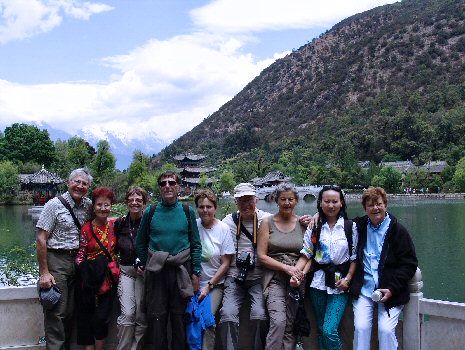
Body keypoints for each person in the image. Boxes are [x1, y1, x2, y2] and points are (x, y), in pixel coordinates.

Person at [135, 171, 202, 350]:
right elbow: (140, 242)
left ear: (178, 187)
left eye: (171, 182)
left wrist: (195, 272)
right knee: (157, 317)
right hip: (157, 271)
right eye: (163, 183)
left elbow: (195, 244)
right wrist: (147, 262)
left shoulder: (187, 211)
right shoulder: (151, 211)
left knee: (179, 319)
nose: (167, 186)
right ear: (159, 188)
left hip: (181, 270)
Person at [351, 187, 417, 350]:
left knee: (386, 330)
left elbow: (409, 263)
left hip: (390, 290)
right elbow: (336, 220)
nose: (375, 208)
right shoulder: (358, 226)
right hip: (365, 290)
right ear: (365, 208)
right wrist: (316, 216)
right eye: (370, 205)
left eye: (379, 204)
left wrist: (393, 288)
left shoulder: (398, 231)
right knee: (361, 328)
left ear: (385, 205)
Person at [292, 185, 358, 350]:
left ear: (341, 203)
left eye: (334, 201)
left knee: (329, 330)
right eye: (326, 201)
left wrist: (348, 280)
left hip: (339, 284)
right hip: (317, 282)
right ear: (320, 203)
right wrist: (295, 273)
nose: (330, 205)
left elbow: (354, 258)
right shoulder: (314, 226)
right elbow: (307, 253)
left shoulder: (350, 227)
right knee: (321, 328)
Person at [36, 168, 93, 350]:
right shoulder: (54, 204)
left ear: (88, 187)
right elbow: (41, 238)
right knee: (57, 312)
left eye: (84, 183)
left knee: (71, 312)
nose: (80, 186)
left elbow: (100, 222)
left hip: (78, 261)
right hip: (57, 261)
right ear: (68, 183)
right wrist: (44, 272)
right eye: (77, 181)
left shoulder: (88, 205)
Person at [219, 182, 271, 350]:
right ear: (236, 203)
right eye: (241, 200)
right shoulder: (229, 221)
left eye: (249, 199)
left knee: (260, 315)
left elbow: (288, 222)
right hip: (235, 277)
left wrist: (309, 219)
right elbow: (209, 226)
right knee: (227, 315)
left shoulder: (266, 219)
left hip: (258, 278)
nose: (246, 204)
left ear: (256, 199)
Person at [257, 183, 305, 350]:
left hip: (296, 279)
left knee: (290, 325)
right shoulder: (266, 222)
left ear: (296, 201)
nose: (287, 203)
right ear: (276, 200)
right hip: (275, 278)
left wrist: (297, 273)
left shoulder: (303, 223)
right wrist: (286, 269)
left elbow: (308, 254)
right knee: (278, 321)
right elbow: (262, 256)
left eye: (290, 199)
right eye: (283, 199)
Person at [75, 186, 118, 350]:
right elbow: (80, 254)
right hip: (89, 280)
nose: (103, 208)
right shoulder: (86, 228)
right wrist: (85, 273)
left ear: (111, 206)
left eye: (106, 205)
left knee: (101, 319)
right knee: (86, 318)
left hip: (108, 280)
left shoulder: (115, 225)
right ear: (93, 206)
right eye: (99, 205)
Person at [194, 189, 235, 350]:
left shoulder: (223, 229)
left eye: (209, 207)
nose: (205, 210)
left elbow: (226, 263)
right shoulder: (194, 225)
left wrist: (209, 285)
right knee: (192, 320)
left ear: (215, 208)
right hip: (193, 283)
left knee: (208, 320)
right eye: (201, 207)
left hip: (214, 285)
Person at [115, 187, 149, 350]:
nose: (135, 203)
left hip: (144, 273)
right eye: (131, 200)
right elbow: (112, 248)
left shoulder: (149, 222)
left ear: (144, 203)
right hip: (126, 272)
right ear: (126, 202)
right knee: (128, 314)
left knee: (141, 317)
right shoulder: (120, 223)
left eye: (139, 200)